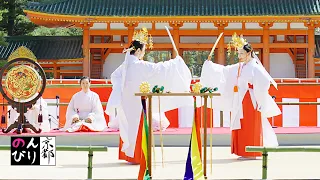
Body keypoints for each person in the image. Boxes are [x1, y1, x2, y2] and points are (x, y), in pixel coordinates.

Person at [106, 27, 193, 164]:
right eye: (144, 51)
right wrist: (175, 63)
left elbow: (114, 77)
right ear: (139, 51)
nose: (144, 53)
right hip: (137, 103)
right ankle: (138, 157)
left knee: (129, 126)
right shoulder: (138, 65)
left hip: (128, 101)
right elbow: (159, 69)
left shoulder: (125, 65)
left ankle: (130, 156)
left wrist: (122, 91)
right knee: (138, 127)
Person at [199, 33, 281, 159]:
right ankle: (242, 150)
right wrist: (210, 65)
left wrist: (258, 95)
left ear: (249, 53)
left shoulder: (255, 67)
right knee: (240, 124)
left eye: (242, 53)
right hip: (239, 100)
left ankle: (252, 151)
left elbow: (264, 82)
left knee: (250, 125)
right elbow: (224, 71)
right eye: (238, 53)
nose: (239, 56)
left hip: (250, 100)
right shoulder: (240, 66)